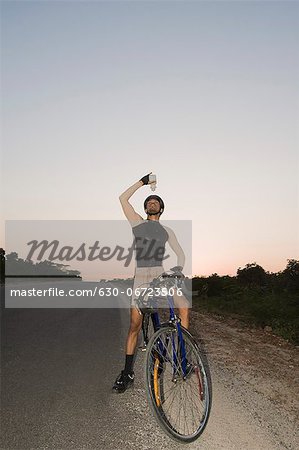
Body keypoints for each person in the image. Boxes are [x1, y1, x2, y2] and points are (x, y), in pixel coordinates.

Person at [113, 173, 190, 393]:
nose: (151, 203)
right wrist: (142, 181)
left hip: (160, 273)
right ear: (146, 209)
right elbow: (122, 198)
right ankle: (126, 372)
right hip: (141, 276)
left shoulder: (168, 231)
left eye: (155, 201)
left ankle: (182, 357)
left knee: (184, 306)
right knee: (134, 326)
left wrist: (178, 268)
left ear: (161, 208)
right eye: (148, 202)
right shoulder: (137, 222)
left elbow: (180, 254)